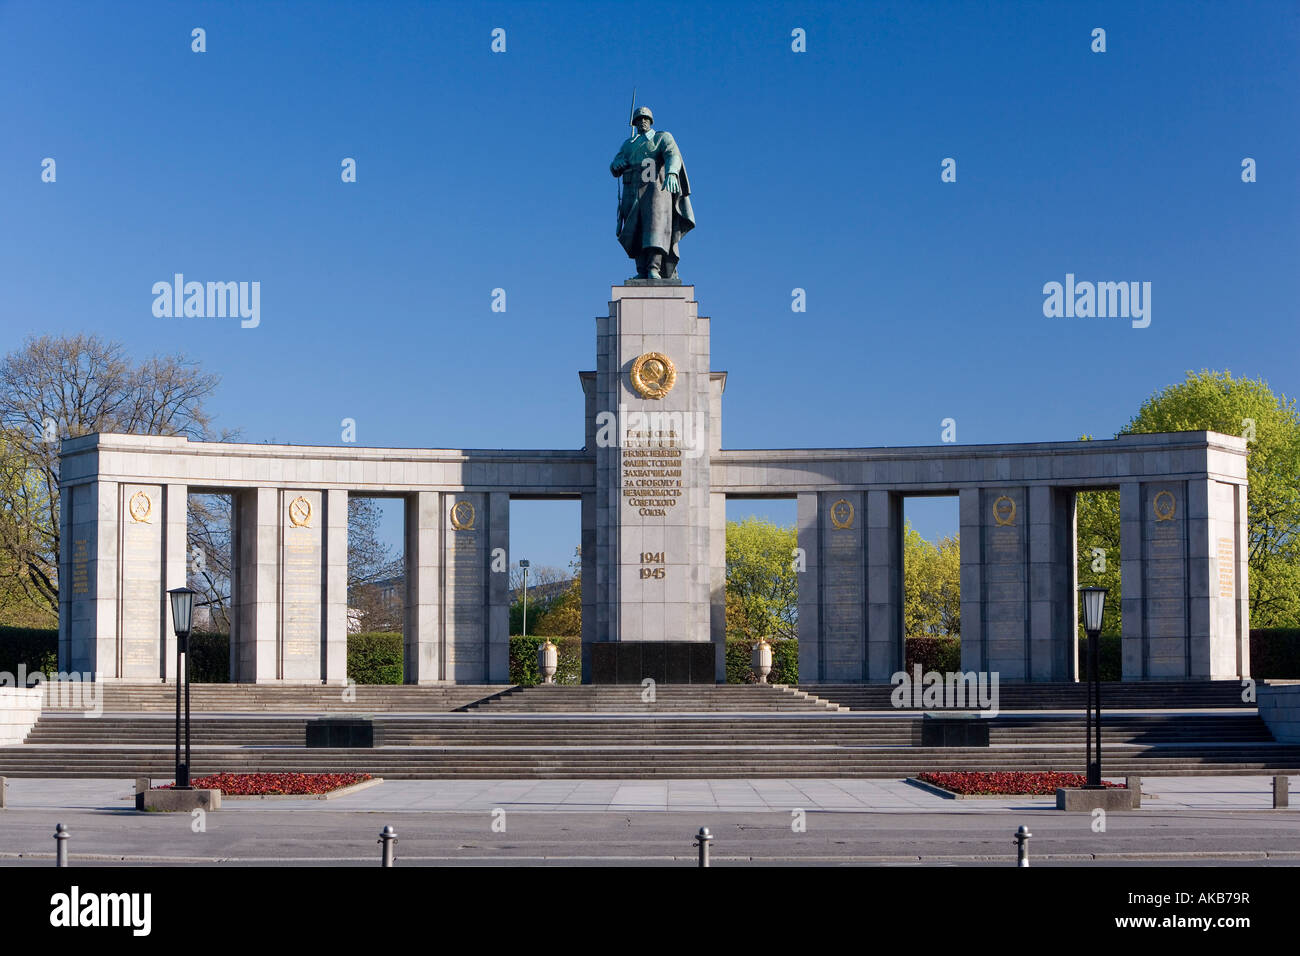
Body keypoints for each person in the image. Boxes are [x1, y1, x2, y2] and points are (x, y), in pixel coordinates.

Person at [610, 107, 695, 280]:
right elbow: (615, 164)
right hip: (632, 189)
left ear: (651, 121)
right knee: (636, 229)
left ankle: (653, 267)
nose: (642, 122)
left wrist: (671, 172)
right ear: (634, 123)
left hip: (655, 189)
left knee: (655, 227)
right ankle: (641, 269)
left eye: (645, 119)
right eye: (639, 119)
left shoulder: (661, 138)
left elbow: (672, 154)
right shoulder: (629, 144)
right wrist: (617, 164)